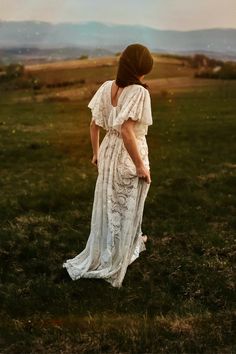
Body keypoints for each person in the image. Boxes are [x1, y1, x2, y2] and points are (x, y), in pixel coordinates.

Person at [62, 43, 154, 288]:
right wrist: (140, 166)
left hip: (108, 152)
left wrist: (96, 154)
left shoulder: (106, 87)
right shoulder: (139, 92)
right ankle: (119, 254)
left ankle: (121, 246)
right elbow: (126, 130)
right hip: (128, 154)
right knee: (127, 204)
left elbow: (94, 125)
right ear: (142, 67)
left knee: (110, 204)